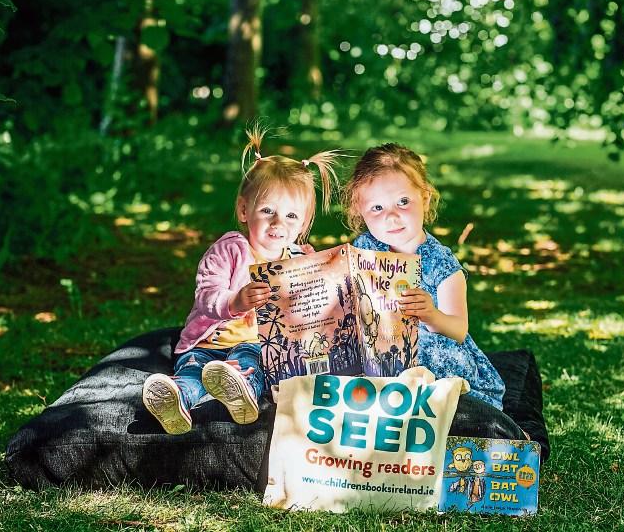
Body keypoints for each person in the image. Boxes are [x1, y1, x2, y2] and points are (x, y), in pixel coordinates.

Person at [142, 127, 339, 433]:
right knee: (192, 371)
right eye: (267, 211)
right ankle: (176, 399)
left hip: (253, 346)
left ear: (302, 223)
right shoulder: (230, 249)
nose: (278, 223)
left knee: (254, 361)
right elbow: (206, 295)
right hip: (207, 343)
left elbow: (310, 311)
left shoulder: (297, 259)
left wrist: (317, 272)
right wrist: (236, 301)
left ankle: (240, 392)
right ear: (244, 210)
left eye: (291, 216)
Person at [342, 143, 507, 409]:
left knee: (433, 362)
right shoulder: (362, 250)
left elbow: (459, 329)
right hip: (380, 344)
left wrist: (431, 314)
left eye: (403, 202)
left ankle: (426, 398)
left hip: (432, 350)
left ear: (425, 198)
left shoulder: (440, 262)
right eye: (377, 208)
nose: (392, 216)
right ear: (359, 209)